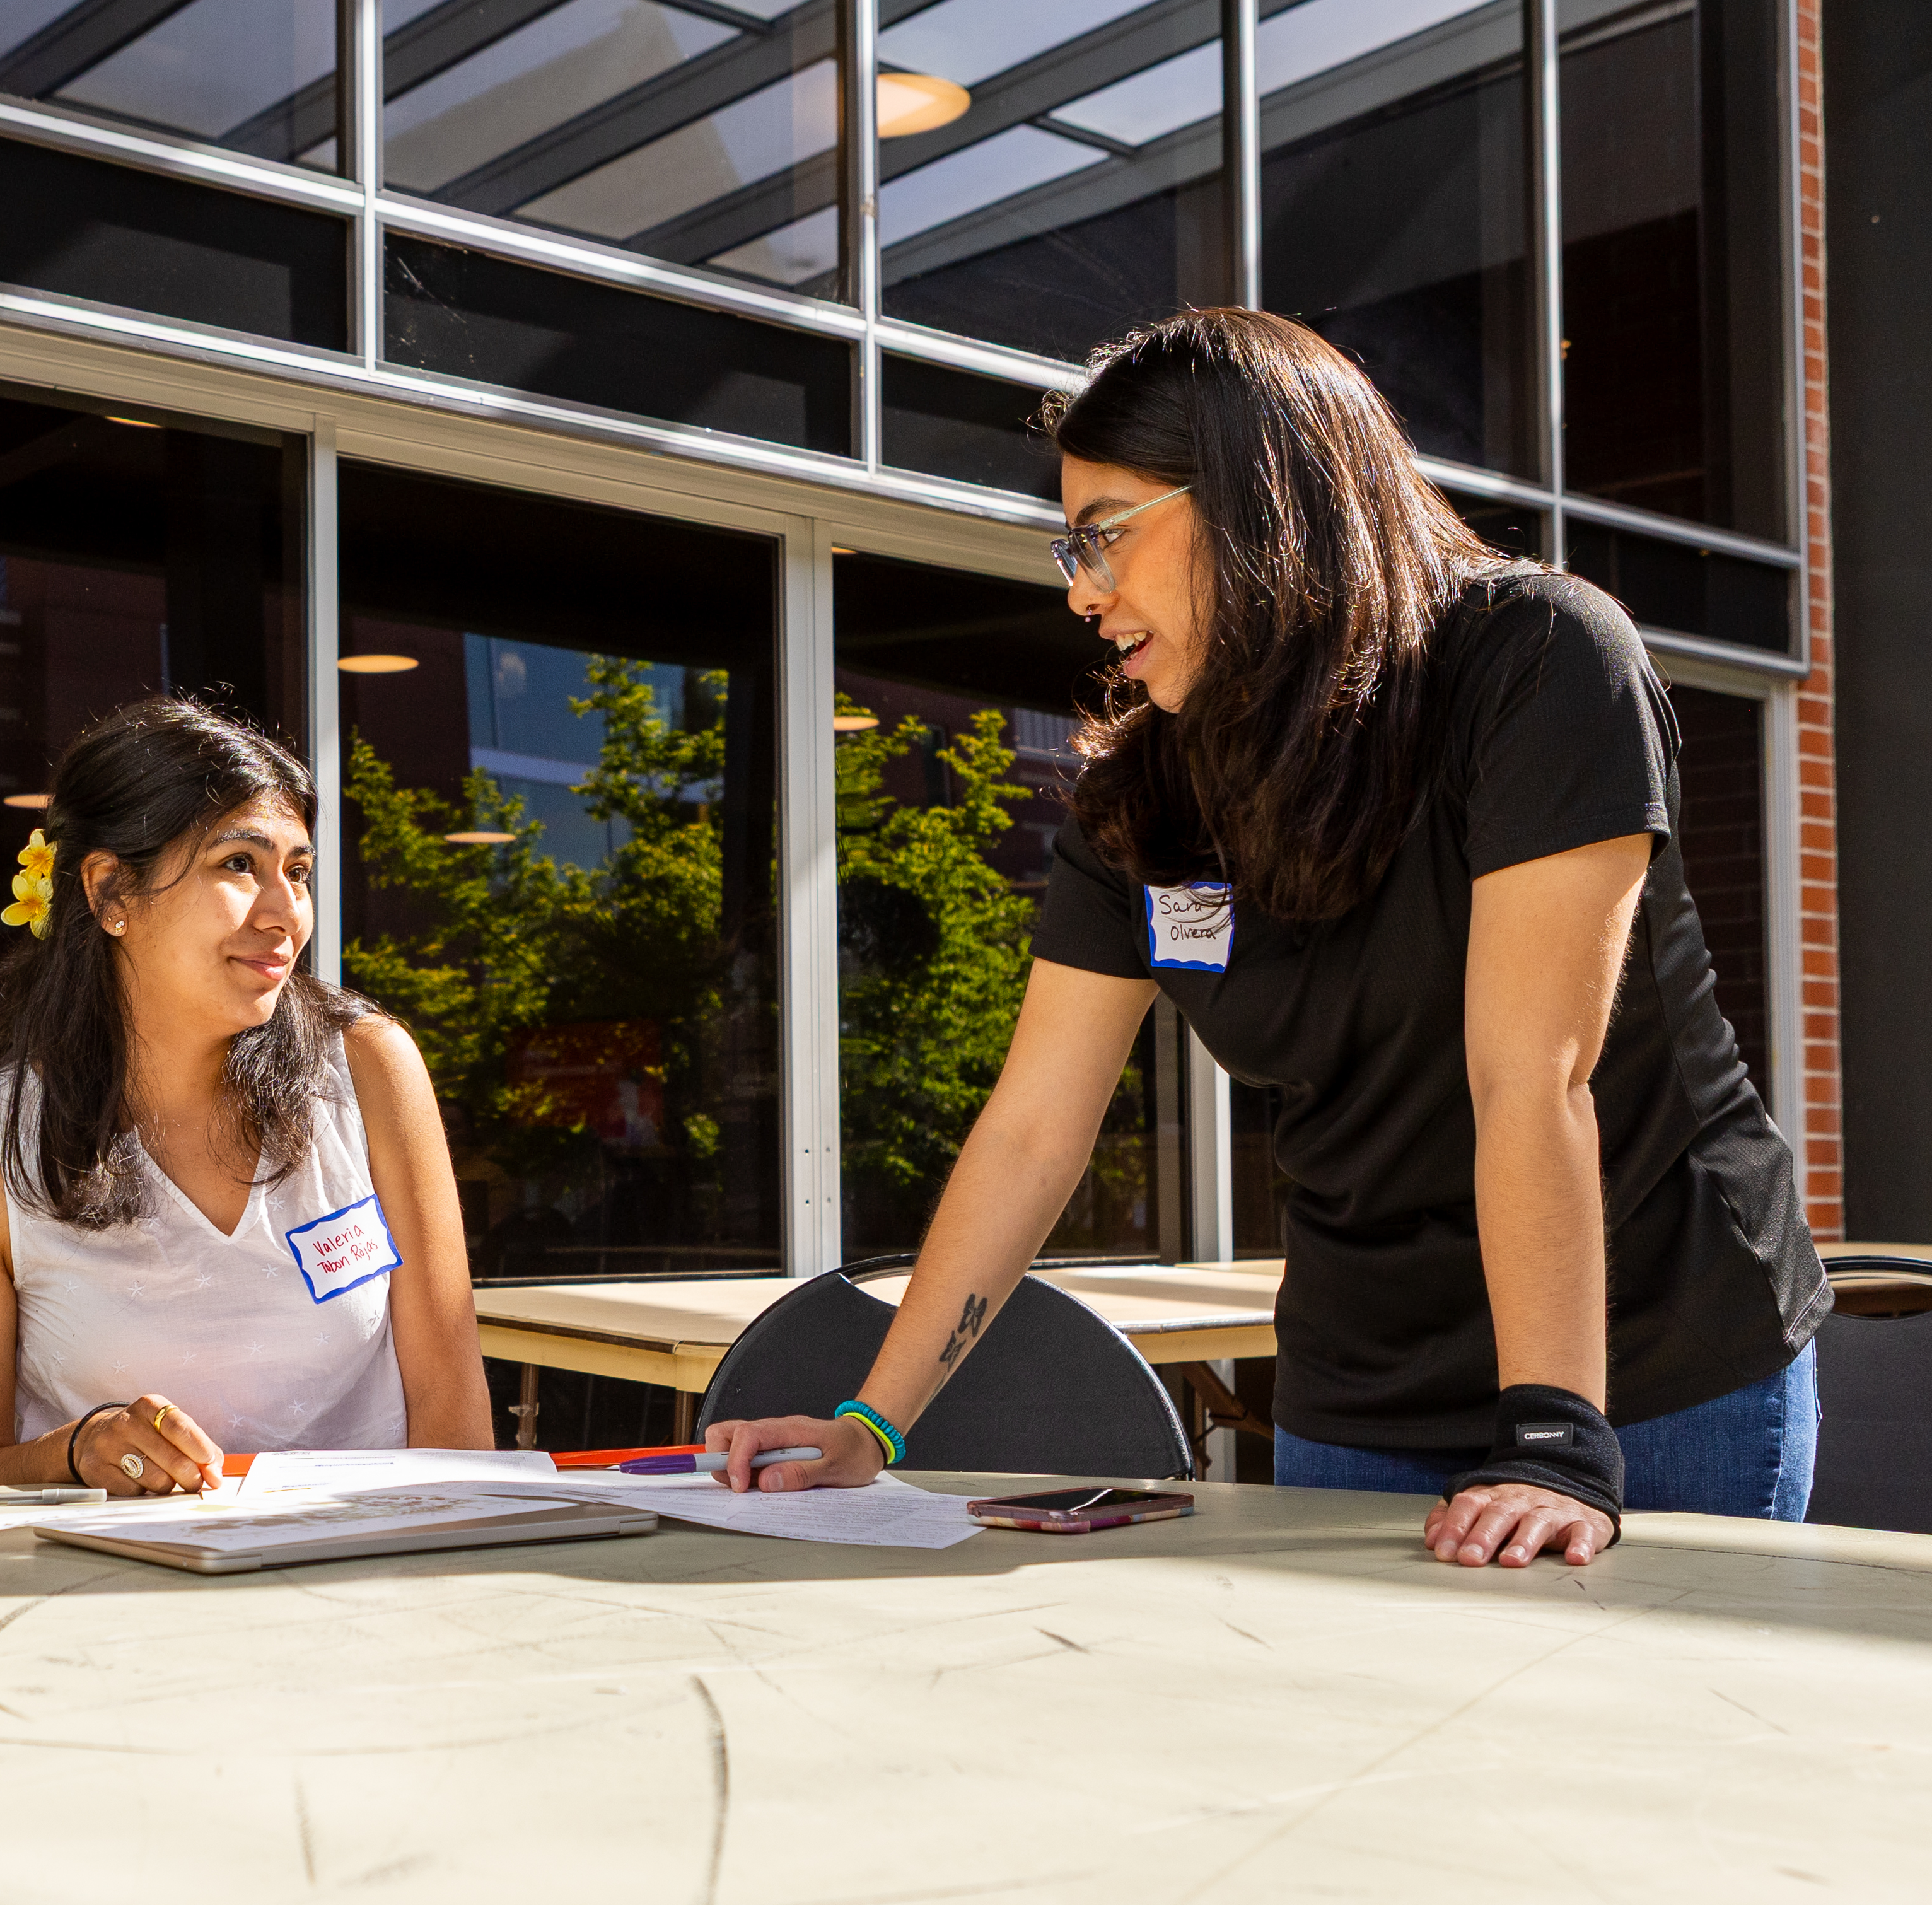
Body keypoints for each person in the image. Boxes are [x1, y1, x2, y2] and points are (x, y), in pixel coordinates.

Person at [711, 308, 1826, 1568]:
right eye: (1068, 549)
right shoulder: (1142, 804)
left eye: (1105, 536)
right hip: (1367, 1386)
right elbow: (1034, 1131)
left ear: (1256, 497)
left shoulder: (1538, 664)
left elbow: (1532, 1077)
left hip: (1649, 1367)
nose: (1083, 591)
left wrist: (1561, 1436)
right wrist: (872, 1425)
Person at [0, 697, 491, 1493]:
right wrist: (78, 1450)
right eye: (239, 864)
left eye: (299, 872)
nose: (286, 914)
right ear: (110, 893)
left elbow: (457, 1423)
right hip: (114, 1601)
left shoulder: (369, 1071)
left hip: (371, 1579)